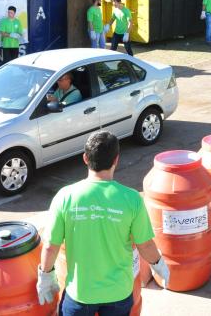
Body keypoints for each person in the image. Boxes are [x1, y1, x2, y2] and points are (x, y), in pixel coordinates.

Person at [36, 132, 169, 314]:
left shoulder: (65, 197)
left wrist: (45, 276)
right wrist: (158, 264)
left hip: (79, 294)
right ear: (116, 160)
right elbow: (144, 244)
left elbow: (51, 246)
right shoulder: (131, 199)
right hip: (119, 294)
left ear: (85, 158)